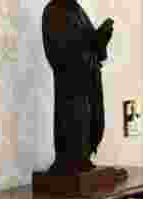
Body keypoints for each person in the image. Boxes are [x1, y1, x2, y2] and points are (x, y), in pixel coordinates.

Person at [42, 0, 114, 174]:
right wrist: (92, 43)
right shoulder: (54, 11)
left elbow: (91, 45)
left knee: (92, 120)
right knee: (75, 121)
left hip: (90, 80)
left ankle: (83, 159)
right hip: (73, 86)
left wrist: (100, 40)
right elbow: (62, 53)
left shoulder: (77, 9)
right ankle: (70, 160)